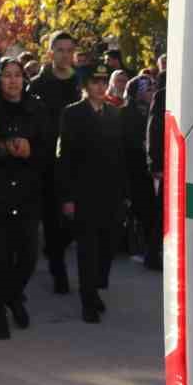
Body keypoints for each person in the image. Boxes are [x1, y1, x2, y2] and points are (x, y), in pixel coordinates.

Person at [56, 63, 127, 323]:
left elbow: (121, 156)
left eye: (103, 81)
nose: (100, 86)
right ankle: (88, 300)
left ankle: (95, 288)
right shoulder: (72, 113)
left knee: (107, 247)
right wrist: (67, 197)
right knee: (87, 249)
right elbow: (65, 157)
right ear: (85, 86)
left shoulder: (114, 113)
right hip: (83, 193)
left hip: (110, 193)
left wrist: (124, 193)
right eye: (95, 82)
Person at [0, 58, 49, 333]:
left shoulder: (36, 108)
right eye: (7, 75)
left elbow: (49, 147)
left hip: (28, 190)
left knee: (28, 255)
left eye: (17, 75)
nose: (13, 80)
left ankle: (13, 295)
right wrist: (3, 147)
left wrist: (30, 149)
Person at [27, 31, 81, 295]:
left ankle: (58, 251)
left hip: (78, 160)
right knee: (52, 219)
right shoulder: (38, 85)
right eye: (60, 50)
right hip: (48, 161)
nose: (65, 55)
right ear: (50, 53)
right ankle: (58, 272)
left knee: (76, 221)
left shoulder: (80, 82)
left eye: (69, 50)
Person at [123, 76, 158, 262]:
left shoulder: (153, 111)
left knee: (150, 209)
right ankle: (136, 248)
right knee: (138, 208)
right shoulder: (125, 114)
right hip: (133, 169)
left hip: (148, 169)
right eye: (148, 89)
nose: (152, 92)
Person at [145, 76, 166, 272]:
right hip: (167, 164)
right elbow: (154, 130)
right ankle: (152, 254)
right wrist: (156, 165)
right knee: (162, 212)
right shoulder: (162, 96)